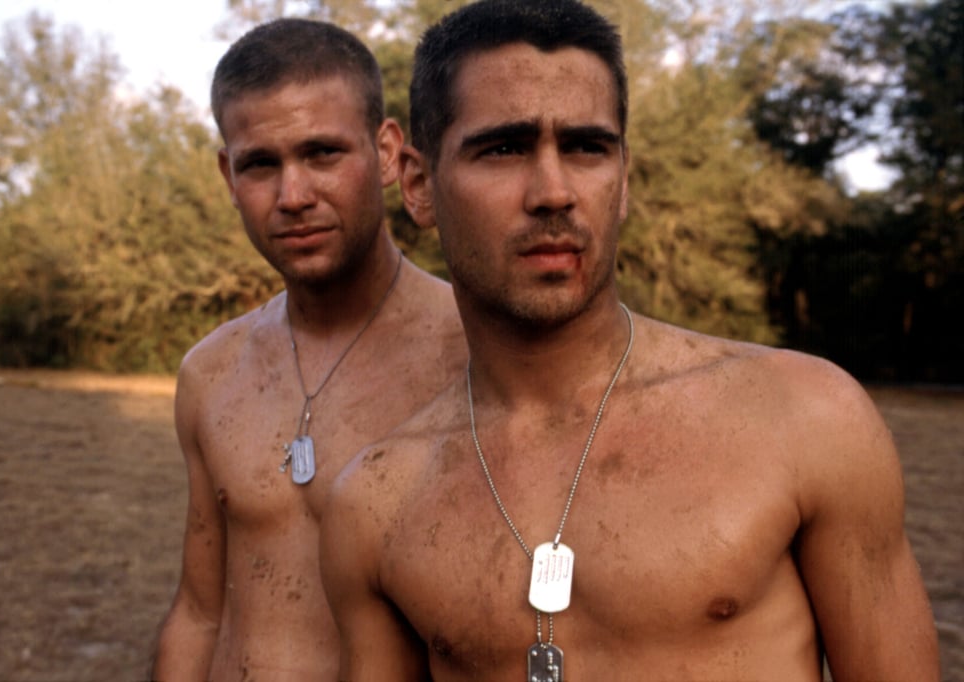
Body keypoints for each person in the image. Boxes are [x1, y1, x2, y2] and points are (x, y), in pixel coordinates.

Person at [319, 1, 941, 679]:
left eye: (588, 147)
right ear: (417, 184)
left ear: (623, 183)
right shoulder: (378, 503)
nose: (554, 192)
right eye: (503, 148)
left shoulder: (804, 418)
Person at [151, 18, 466, 680]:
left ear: (386, 153)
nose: (293, 197)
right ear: (227, 175)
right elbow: (200, 612)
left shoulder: (474, 354)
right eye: (261, 164)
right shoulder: (211, 373)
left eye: (322, 153)